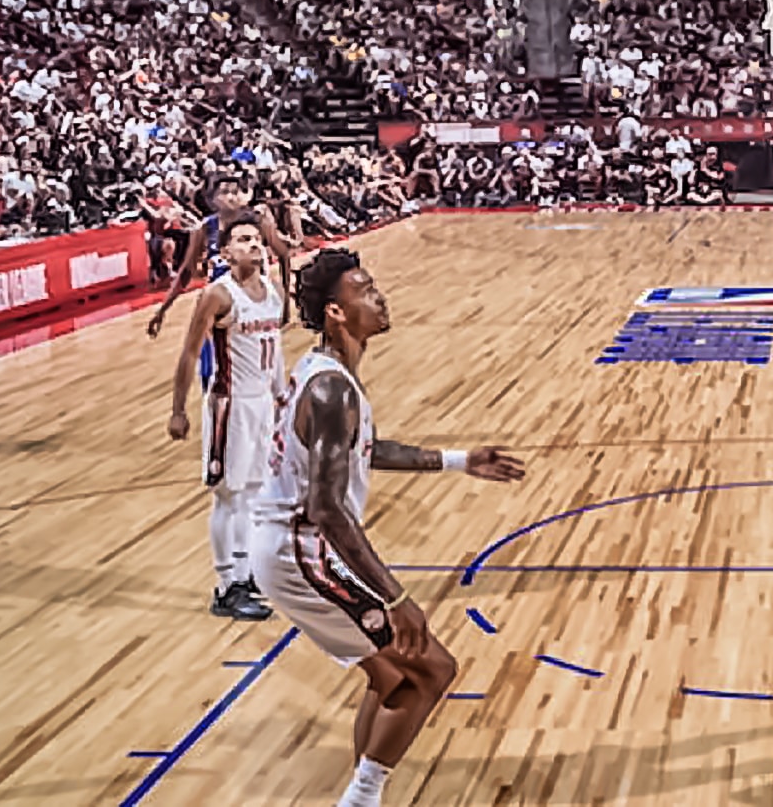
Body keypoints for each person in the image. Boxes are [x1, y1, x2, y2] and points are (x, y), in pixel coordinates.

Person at [254, 248, 525, 807]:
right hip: (299, 550)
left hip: (291, 546)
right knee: (432, 669)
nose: (378, 295)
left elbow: (367, 450)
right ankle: (360, 799)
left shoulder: (327, 375)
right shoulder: (330, 390)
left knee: (393, 679)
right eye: (364, 288)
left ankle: (363, 795)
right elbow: (327, 508)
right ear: (335, 311)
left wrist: (457, 460)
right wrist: (396, 596)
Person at [166, 213, 281, 621]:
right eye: (242, 239)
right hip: (229, 404)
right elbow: (189, 353)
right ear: (226, 252)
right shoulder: (218, 294)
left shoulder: (271, 290)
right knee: (229, 496)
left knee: (251, 493)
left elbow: (276, 348)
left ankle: (245, 574)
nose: (252, 243)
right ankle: (224, 586)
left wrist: (281, 396)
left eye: (256, 238)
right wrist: (178, 410)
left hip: (262, 404)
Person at [147, 175, 293, 390]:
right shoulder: (205, 228)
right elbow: (186, 272)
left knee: (262, 368)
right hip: (220, 304)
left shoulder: (257, 222)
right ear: (212, 199)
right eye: (224, 192)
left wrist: (286, 301)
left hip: (254, 303)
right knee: (212, 372)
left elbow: (284, 255)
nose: (231, 196)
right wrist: (163, 309)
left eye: (235, 191)